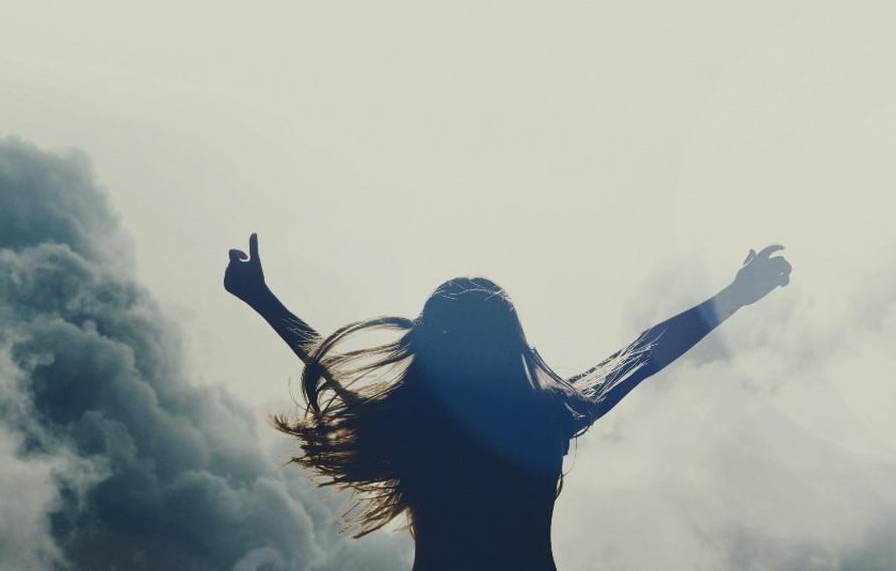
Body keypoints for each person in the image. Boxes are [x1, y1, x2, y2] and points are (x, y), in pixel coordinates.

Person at [224, 234, 791, 571]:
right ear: (511, 343)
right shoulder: (546, 416)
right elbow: (646, 353)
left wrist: (262, 299)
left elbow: (328, 363)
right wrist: (735, 295)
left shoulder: (414, 426)